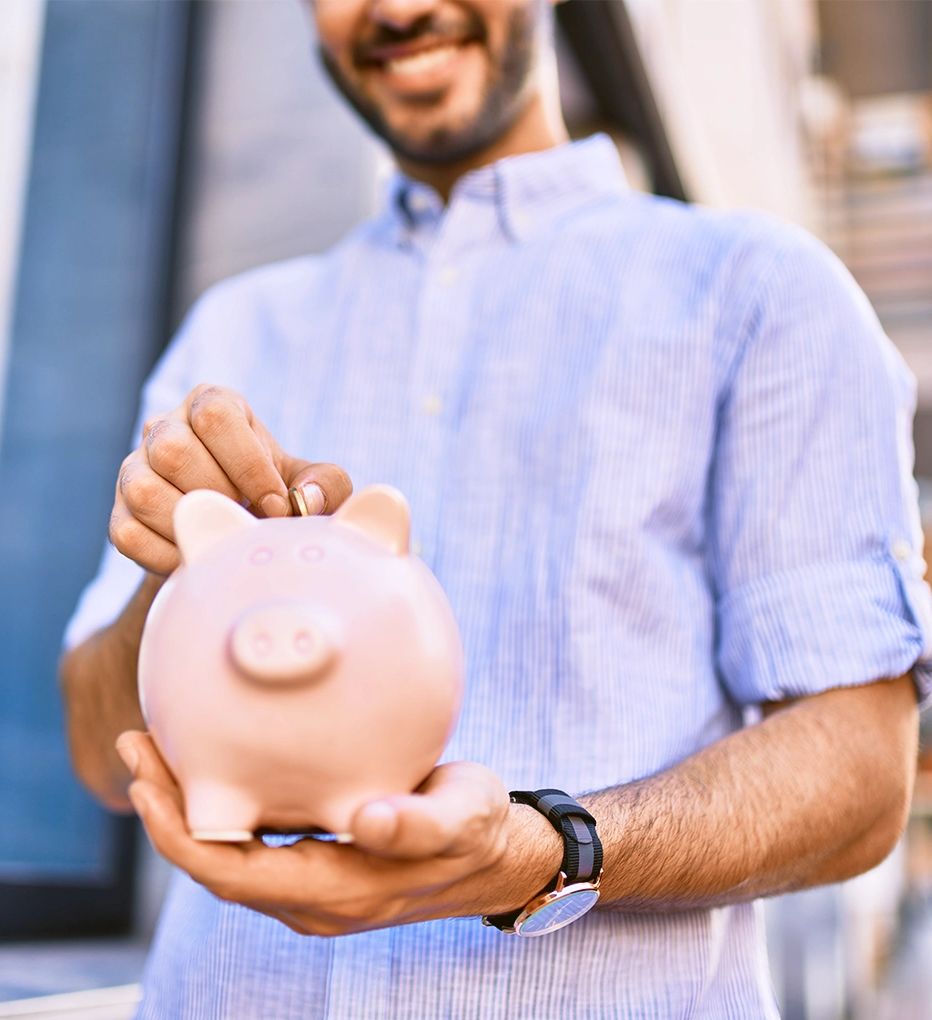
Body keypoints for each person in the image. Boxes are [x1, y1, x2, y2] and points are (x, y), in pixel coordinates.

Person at [60, 0, 930, 1015]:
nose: (397, 8)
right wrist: (178, 579)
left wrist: (551, 850)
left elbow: (862, 781)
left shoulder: (763, 293)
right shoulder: (234, 329)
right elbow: (100, 754)